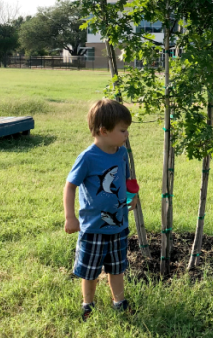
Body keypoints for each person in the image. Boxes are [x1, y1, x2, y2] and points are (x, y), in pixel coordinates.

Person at [64, 99, 135, 321]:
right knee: (90, 271)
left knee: (117, 268)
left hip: (119, 226)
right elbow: (70, 186)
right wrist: (70, 217)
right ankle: (88, 304)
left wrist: (133, 197)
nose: (126, 135)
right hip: (93, 228)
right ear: (104, 131)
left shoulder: (121, 153)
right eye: (123, 131)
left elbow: (127, 178)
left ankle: (119, 302)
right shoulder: (87, 157)